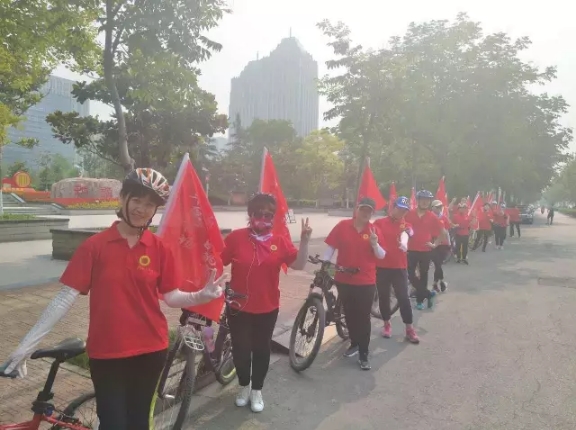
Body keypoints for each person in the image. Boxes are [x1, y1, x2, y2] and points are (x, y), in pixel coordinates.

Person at [1, 168, 227, 430]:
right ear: (122, 198)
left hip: (151, 349)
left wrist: (200, 295)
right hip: (107, 353)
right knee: (112, 424)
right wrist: (26, 346)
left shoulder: (159, 248)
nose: (142, 209)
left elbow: (171, 296)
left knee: (138, 422)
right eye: (137, 200)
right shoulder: (95, 246)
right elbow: (64, 299)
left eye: (150, 204)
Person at [221, 193, 311, 413]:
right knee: (241, 349)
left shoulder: (279, 241)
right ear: (250, 214)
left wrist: (305, 241)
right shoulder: (236, 238)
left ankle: (257, 390)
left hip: (267, 306)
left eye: (268, 214)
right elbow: (218, 260)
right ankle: (244, 386)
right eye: (258, 213)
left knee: (261, 349)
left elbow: (299, 264)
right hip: (238, 306)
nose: (263, 217)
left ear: (273, 217)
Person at [323, 197, 386, 370]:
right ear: (357, 209)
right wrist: (325, 262)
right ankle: (355, 343)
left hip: (365, 281)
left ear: (372, 213)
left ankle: (364, 353)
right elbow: (331, 247)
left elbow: (382, 255)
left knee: (363, 317)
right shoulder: (343, 226)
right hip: (343, 279)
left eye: (369, 211)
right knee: (349, 314)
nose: (365, 213)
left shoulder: (374, 230)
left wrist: (375, 244)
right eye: (363, 209)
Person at [373, 196, 419, 344]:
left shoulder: (406, 224)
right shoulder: (379, 223)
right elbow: (372, 237)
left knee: (403, 297)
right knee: (384, 296)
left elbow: (409, 233)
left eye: (404, 211)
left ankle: (409, 328)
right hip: (382, 266)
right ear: (392, 207)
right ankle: (387, 324)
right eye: (399, 209)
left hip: (399, 267)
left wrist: (405, 242)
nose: (401, 212)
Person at [405, 190, 447, 310]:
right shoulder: (409, 214)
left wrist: (434, 244)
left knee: (424, 275)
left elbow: (443, 232)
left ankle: (420, 301)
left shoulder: (432, 216)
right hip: (411, 249)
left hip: (425, 250)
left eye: (427, 200)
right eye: (422, 199)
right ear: (418, 201)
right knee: (409, 275)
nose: (425, 202)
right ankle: (428, 294)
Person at [430, 200, 451, 292]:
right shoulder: (429, 217)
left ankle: (435, 283)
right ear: (432, 207)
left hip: (443, 244)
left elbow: (447, 232)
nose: (439, 208)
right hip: (433, 244)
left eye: (440, 207)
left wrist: (449, 243)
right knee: (437, 264)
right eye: (437, 207)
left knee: (438, 264)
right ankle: (441, 282)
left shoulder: (444, 218)